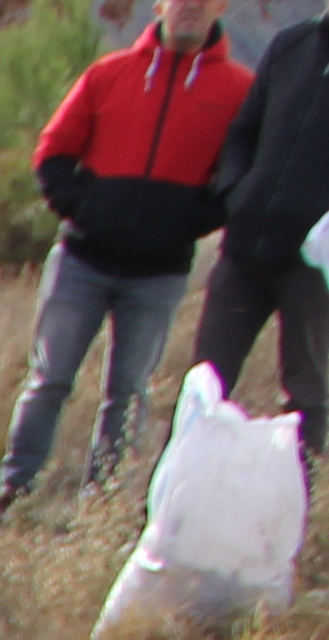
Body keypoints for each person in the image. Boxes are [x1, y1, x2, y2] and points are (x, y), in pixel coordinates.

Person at [0, 0, 250, 519]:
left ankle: (98, 510)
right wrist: (85, 210)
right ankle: (13, 496)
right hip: (82, 260)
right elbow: (52, 152)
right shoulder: (109, 74)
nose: (191, 8)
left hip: (159, 272)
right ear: (160, 4)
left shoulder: (239, 91)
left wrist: (189, 221)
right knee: (49, 379)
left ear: (222, 6)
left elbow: (237, 179)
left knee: (128, 394)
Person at [199, 0, 329, 470]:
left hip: (313, 267)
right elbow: (242, 133)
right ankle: (174, 512)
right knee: (205, 385)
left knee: (306, 397)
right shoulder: (292, 45)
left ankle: (287, 523)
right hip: (243, 253)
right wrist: (237, 194)